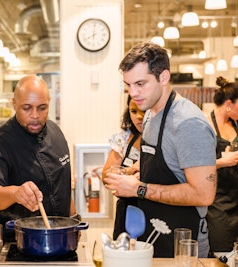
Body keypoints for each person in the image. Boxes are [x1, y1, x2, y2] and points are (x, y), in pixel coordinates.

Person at [103, 42, 217, 258]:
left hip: (182, 245)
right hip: (152, 238)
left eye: (140, 83)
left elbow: (204, 194)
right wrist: (132, 173)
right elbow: (164, 166)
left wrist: (138, 189)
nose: (133, 93)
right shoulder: (149, 114)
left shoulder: (188, 123)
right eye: (128, 85)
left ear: (163, 77)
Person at [0, 74, 77, 242]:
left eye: (42, 107)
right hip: (17, 241)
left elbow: (63, 185)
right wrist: (15, 193)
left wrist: (75, 220)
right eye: (26, 108)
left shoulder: (56, 131)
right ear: (14, 104)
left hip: (61, 238)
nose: (35, 115)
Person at [102, 95, 144, 240]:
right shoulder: (124, 139)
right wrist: (130, 170)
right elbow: (106, 177)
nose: (139, 116)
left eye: (143, 111)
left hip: (153, 210)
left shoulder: (165, 139)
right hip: (126, 211)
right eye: (133, 111)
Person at [205, 76, 238, 254]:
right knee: (222, 253)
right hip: (218, 202)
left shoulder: (235, 123)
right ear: (229, 104)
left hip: (236, 196)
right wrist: (221, 162)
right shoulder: (205, 124)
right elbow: (195, 166)